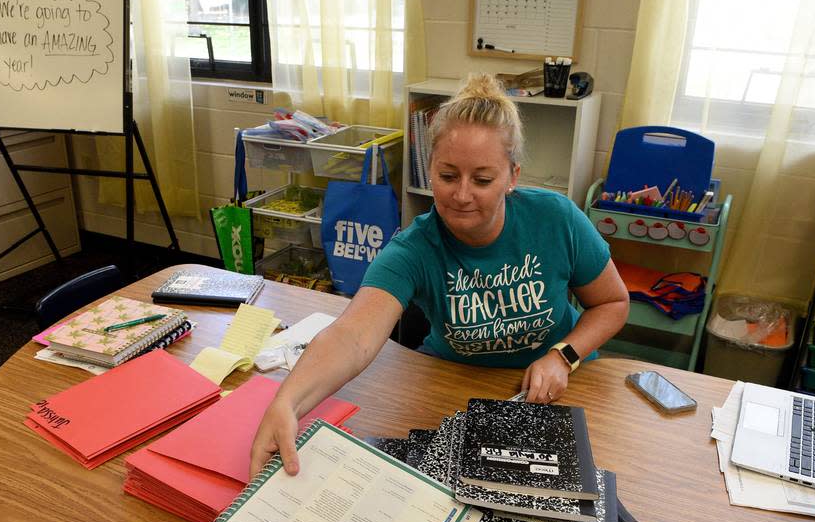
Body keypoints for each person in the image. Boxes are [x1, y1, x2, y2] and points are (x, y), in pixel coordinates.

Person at [250, 73, 629, 477]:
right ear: (429, 170)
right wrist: (286, 403)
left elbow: (612, 303)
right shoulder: (414, 248)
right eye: (448, 176)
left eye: (482, 180)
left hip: (555, 391)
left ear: (512, 176)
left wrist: (563, 356)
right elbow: (351, 337)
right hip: (455, 388)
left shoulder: (556, 219)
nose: (462, 195)